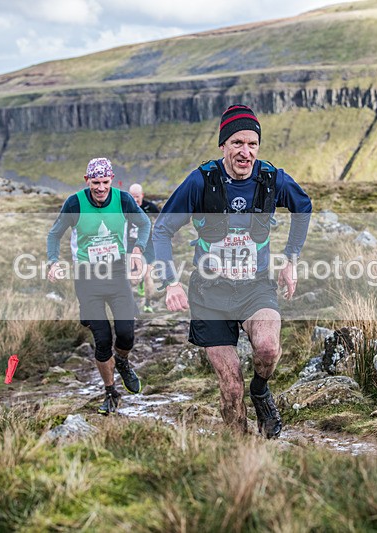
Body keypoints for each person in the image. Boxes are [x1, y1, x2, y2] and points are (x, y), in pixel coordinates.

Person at [153, 104, 312, 438]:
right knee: (230, 386)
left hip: (256, 287)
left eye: (252, 144)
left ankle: (261, 390)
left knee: (268, 348)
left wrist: (290, 260)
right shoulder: (201, 181)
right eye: (237, 143)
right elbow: (162, 229)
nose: (245, 151)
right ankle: (241, 453)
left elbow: (303, 207)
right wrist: (171, 283)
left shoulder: (271, 179)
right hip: (210, 295)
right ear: (223, 145)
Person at [47, 157, 151, 415]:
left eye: (105, 182)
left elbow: (144, 223)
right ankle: (111, 392)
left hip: (116, 275)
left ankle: (123, 361)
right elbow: (54, 234)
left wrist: (138, 250)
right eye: (96, 183)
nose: (101, 188)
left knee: (126, 333)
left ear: (111, 179)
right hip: (87, 278)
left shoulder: (123, 199)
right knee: (102, 339)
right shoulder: (75, 203)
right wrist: (52, 262)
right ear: (87, 181)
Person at [127, 183, 161, 313]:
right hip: (131, 245)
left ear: (142, 195)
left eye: (137, 197)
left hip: (149, 246)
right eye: (132, 197)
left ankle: (148, 304)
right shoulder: (125, 208)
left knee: (147, 275)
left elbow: (162, 223)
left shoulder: (150, 207)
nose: (135, 200)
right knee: (133, 279)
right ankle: (130, 304)